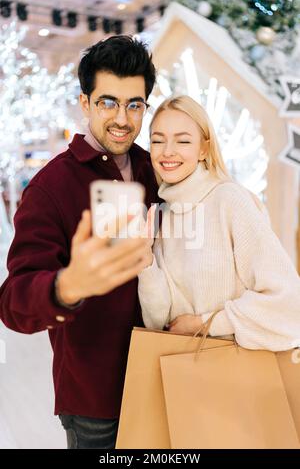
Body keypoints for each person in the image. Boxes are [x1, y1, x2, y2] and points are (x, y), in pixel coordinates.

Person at [0, 36, 158, 449]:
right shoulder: (50, 187)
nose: (122, 118)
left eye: (134, 104)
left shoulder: (156, 169)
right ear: (85, 103)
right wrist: (68, 286)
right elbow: (13, 300)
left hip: (163, 374)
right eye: (108, 102)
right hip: (94, 395)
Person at [138, 95, 300, 351]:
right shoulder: (163, 214)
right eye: (158, 140)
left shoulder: (229, 200)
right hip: (179, 374)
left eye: (183, 140)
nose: (167, 151)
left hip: (234, 377)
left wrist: (206, 324)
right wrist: (146, 261)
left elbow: (287, 301)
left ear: (204, 148)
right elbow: (158, 322)